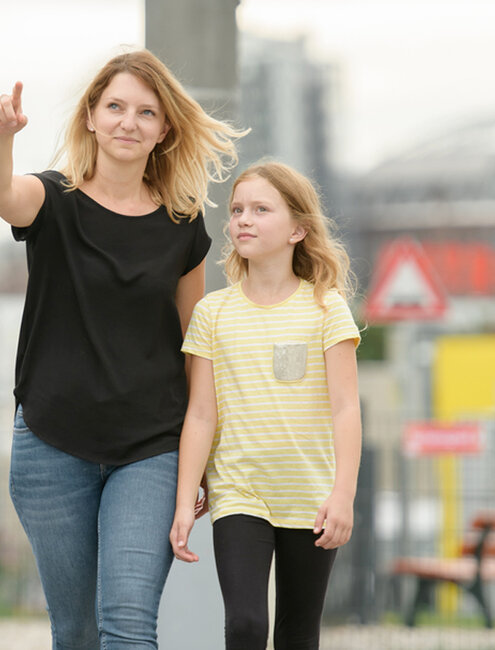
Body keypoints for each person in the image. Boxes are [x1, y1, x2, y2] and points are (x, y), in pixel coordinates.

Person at [0, 49, 244, 648]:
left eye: (146, 112)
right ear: (91, 117)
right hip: (52, 444)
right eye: (116, 107)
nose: (129, 122)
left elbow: (195, 348)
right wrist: (1, 137)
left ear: (164, 129)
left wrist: (199, 457)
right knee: (75, 631)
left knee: (127, 624)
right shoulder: (52, 200)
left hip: (150, 449)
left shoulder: (182, 225)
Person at [167, 162, 362, 650]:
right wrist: (185, 502)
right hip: (239, 493)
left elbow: (346, 408)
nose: (243, 220)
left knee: (298, 634)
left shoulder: (326, 308)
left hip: (311, 497)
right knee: (247, 625)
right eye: (237, 211)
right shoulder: (212, 313)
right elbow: (200, 414)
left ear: (298, 229)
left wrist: (343, 495)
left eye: (260, 209)